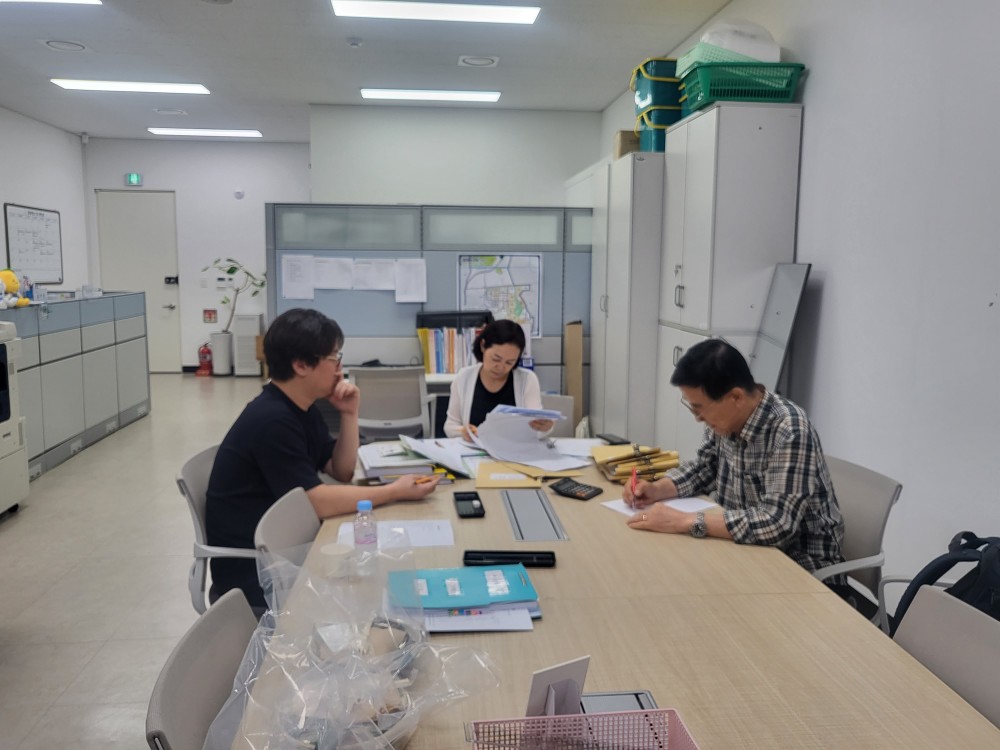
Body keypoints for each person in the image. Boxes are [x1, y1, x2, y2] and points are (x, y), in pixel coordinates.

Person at [205, 308, 439, 611]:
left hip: (285, 549)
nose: (340, 369)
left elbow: (341, 470)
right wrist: (394, 491)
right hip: (258, 576)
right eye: (334, 358)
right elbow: (317, 501)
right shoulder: (272, 420)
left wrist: (349, 413)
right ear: (301, 365)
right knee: (386, 589)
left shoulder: (299, 408)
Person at [622, 339, 851, 595]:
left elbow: (777, 524)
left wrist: (684, 521)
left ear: (735, 397)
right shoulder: (726, 421)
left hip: (803, 569)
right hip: (747, 551)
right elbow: (704, 468)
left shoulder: (789, 430)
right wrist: (657, 489)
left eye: (699, 409)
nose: (698, 419)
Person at [443, 319, 554, 440]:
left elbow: (536, 429)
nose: (501, 367)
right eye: (496, 359)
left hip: (513, 449)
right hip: (474, 449)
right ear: (483, 346)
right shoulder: (464, 378)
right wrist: (463, 431)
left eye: (509, 362)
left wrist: (544, 428)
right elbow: (450, 426)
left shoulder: (527, 379)